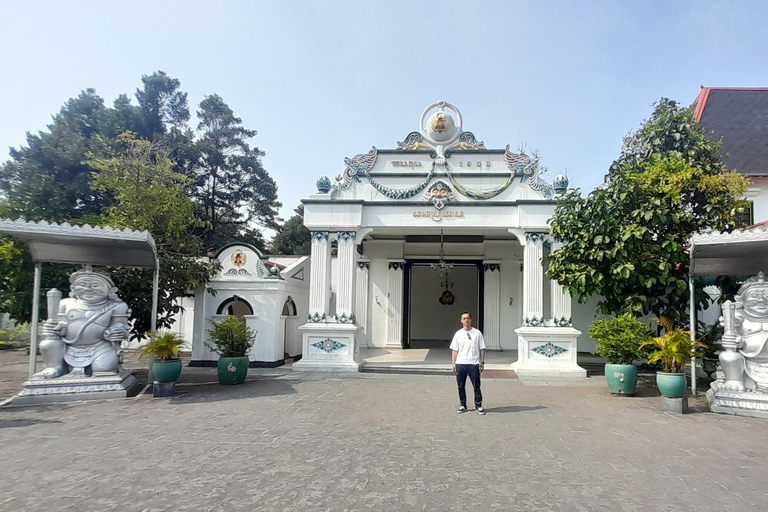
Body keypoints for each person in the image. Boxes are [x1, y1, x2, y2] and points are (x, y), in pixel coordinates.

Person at [35, 269, 131, 379]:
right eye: (82, 285)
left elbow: (121, 327)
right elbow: (60, 322)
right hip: (68, 346)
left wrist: (115, 332)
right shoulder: (66, 303)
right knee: (47, 343)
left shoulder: (117, 306)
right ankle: (55, 366)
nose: (88, 289)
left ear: (111, 290)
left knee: (104, 368)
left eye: (95, 285)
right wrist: (56, 328)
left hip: (100, 346)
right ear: (73, 288)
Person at [450, 311, 486, 415]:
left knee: (476, 385)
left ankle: (478, 405)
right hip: (461, 363)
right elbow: (454, 350)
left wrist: (482, 362)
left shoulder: (477, 333)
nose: (466, 320)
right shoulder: (458, 334)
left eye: (468, 318)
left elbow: (482, 348)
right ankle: (463, 404)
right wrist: (453, 362)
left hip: (473, 363)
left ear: (471, 319)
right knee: (461, 385)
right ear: (461, 320)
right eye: (464, 318)